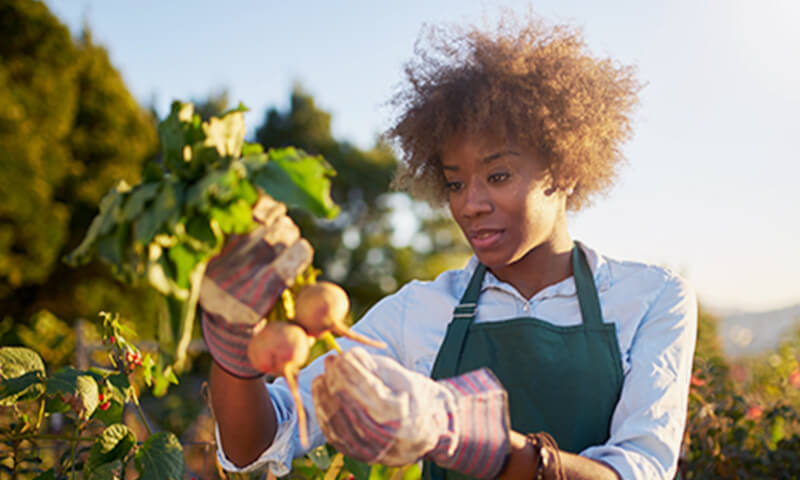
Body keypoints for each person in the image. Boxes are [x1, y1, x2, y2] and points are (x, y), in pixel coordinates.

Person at [201, 14, 697, 480]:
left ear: (564, 170)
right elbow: (256, 444)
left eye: (498, 176)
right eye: (455, 183)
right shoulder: (416, 312)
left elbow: (640, 468)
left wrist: (473, 438)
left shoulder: (651, 298)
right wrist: (232, 341)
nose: (470, 205)